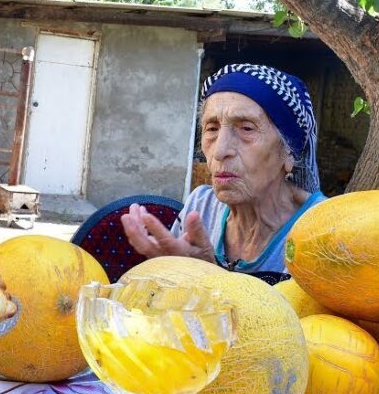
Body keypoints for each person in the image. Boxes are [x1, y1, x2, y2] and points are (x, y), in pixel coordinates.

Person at [121, 64, 326, 282]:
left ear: (289, 152)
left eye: (246, 129)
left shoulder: (322, 231)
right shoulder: (201, 206)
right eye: (212, 129)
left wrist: (205, 277)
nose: (219, 151)